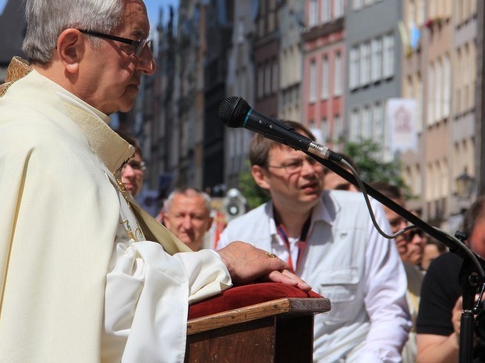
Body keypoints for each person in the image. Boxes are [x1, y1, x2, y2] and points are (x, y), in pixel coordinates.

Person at [0, 0, 310, 363]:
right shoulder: (43, 149)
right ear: (71, 49)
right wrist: (222, 264)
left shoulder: (31, 134)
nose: (148, 64)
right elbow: (103, 304)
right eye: (134, 43)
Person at [218, 120, 410, 362]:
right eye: (294, 164)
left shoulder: (363, 213)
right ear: (261, 176)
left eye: (312, 158)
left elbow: (389, 308)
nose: (309, 171)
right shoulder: (237, 235)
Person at [416, 193, 485, 363]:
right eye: (483, 265)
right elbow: (426, 358)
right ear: (466, 245)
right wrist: (460, 337)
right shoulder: (447, 270)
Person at [373, 181, 426, 363]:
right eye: (395, 223)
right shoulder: (361, 275)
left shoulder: (415, 275)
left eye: (405, 220)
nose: (405, 229)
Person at [161, 187, 213, 251]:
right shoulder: (150, 259)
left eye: (196, 217)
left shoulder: (217, 260)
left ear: (209, 223)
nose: (187, 226)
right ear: (167, 221)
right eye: (180, 216)